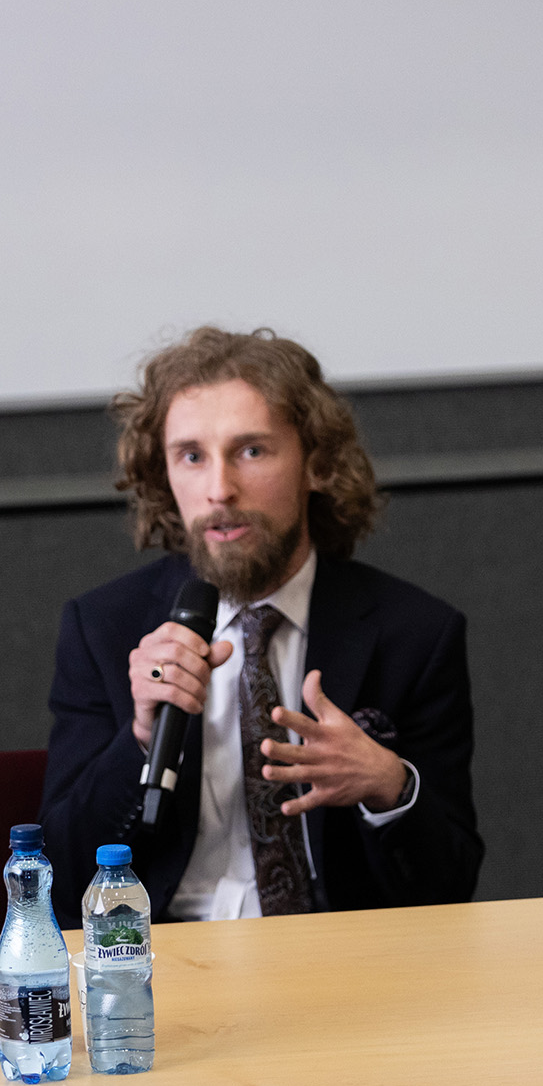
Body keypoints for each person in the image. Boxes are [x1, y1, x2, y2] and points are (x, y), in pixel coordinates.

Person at [40, 327, 482, 926]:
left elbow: (451, 890)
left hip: (341, 958)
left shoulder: (415, 633)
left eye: (251, 451)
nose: (219, 490)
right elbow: (59, 888)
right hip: (165, 958)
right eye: (192, 456)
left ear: (316, 464)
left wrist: (390, 786)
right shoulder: (105, 629)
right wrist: (140, 739)